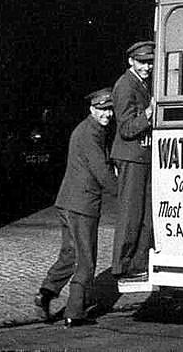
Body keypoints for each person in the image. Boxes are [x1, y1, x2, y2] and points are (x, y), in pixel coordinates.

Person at [34, 89, 118, 328]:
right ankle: (75, 312)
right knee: (86, 260)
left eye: (109, 110)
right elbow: (101, 171)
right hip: (82, 205)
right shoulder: (91, 134)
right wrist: (124, 194)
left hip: (68, 202)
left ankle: (46, 293)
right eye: (102, 110)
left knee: (69, 254)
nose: (107, 115)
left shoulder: (87, 129)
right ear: (92, 109)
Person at [111, 39, 155, 281]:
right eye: (142, 62)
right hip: (131, 156)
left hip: (142, 156)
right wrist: (148, 114)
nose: (147, 67)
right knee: (130, 213)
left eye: (150, 62)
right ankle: (122, 265)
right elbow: (126, 128)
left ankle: (138, 262)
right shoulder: (125, 86)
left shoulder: (141, 84)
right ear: (131, 61)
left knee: (145, 212)